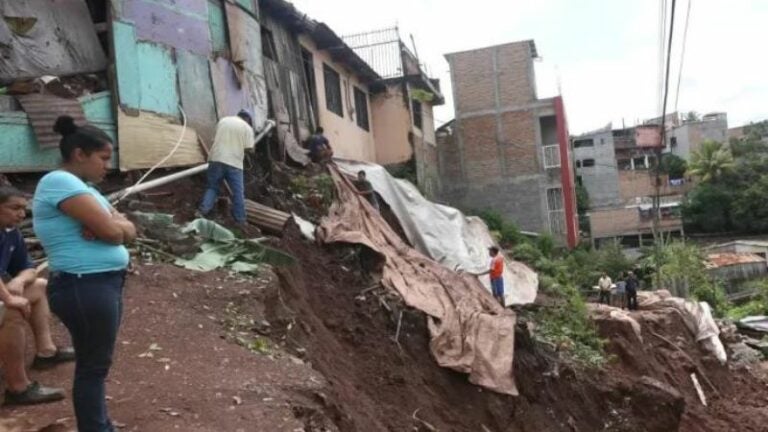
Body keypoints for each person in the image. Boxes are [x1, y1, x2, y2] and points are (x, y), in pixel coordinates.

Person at [33, 115, 136, 431]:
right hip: (84, 285)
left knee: (96, 363)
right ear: (80, 154)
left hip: (99, 284)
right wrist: (112, 226)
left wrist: (114, 226)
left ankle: (101, 424)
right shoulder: (59, 182)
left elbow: (129, 229)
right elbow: (114, 232)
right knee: (92, 366)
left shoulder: (85, 189)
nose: (108, 166)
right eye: (103, 158)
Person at [0, 186, 73, 406]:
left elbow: (29, 268)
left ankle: (46, 352)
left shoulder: (10, 233)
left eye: (23, 209)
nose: (21, 214)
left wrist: (18, 281)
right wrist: (9, 298)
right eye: (14, 208)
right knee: (11, 310)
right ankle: (18, 388)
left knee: (38, 285)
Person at [198, 110, 256, 228]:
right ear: (247, 119)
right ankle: (240, 220)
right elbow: (250, 149)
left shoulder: (223, 121)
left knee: (212, 187)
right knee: (237, 193)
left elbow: (216, 139)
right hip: (234, 163)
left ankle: (202, 211)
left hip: (216, 158)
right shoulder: (247, 128)